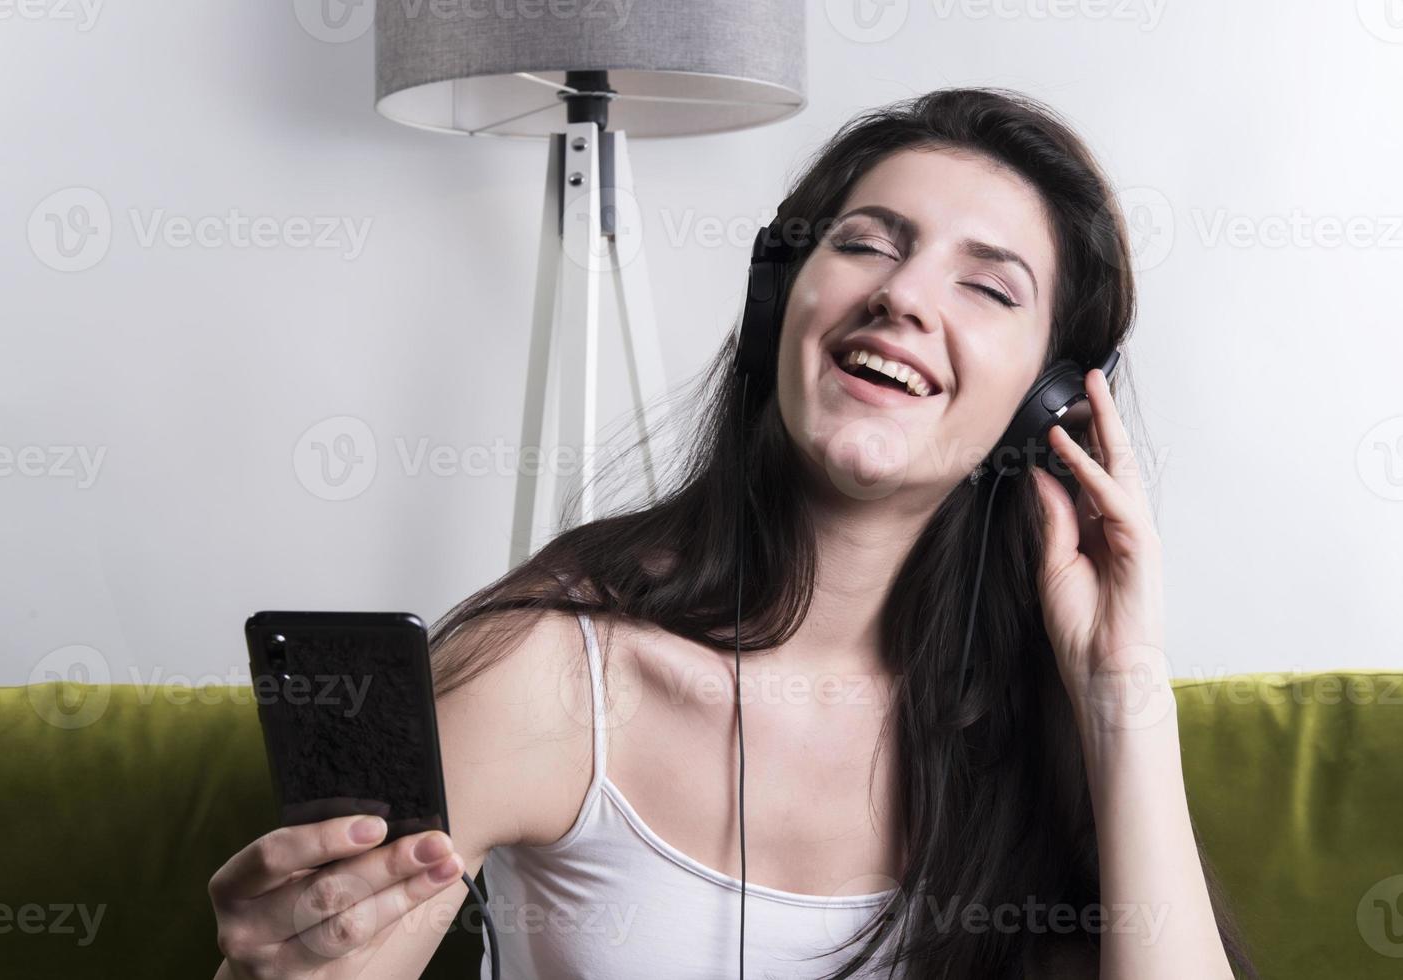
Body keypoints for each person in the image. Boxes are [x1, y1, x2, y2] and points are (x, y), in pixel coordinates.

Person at [207, 87, 1260, 979]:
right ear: (776, 306)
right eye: (863, 245)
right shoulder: (554, 670)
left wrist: (1121, 685)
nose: (900, 295)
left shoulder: (1036, 717)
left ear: (1050, 403)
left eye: (985, 286)